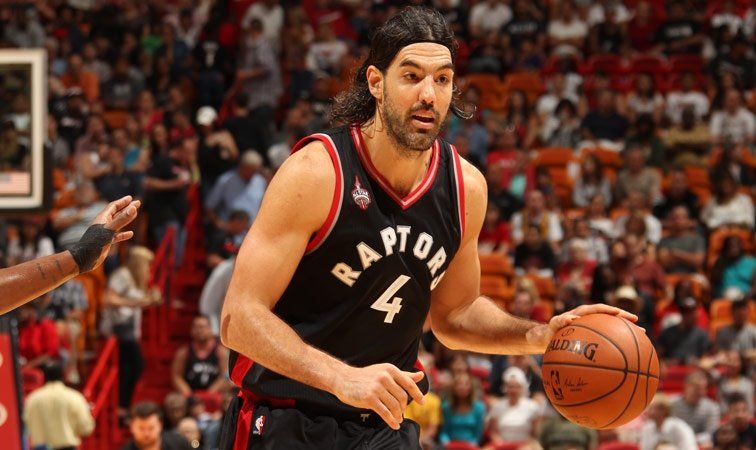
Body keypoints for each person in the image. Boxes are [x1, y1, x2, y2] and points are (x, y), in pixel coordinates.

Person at [218, 7, 634, 449]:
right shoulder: (317, 172)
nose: (429, 95)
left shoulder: (464, 187)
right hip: (285, 419)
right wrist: (342, 378)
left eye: (442, 79)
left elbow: (456, 315)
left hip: (383, 427)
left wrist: (538, 336)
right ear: (376, 82)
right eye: (412, 76)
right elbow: (238, 319)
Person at [0, 195, 140, 315]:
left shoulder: (44, 242)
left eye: (32, 226)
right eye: (27, 225)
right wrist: (77, 257)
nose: (29, 229)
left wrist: (78, 257)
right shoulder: (15, 242)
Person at [102, 246, 162, 417]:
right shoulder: (122, 275)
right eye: (147, 265)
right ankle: (122, 407)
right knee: (135, 366)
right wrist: (138, 302)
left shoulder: (134, 280)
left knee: (130, 368)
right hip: (119, 329)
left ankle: (123, 408)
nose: (148, 269)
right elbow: (109, 298)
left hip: (130, 330)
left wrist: (150, 298)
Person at [24, 360, 95, 450]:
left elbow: (26, 426)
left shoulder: (32, 399)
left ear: (44, 376)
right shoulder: (74, 397)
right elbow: (86, 428)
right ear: (63, 376)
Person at [171, 315, 231, 396]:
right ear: (191, 330)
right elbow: (176, 376)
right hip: (189, 396)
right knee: (173, 400)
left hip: (215, 395)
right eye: (196, 327)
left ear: (210, 329)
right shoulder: (184, 352)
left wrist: (208, 395)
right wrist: (188, 394)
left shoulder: (221, 352)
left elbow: (225, 376)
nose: (199, 331)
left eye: (202, 327)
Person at [486, 367, 541, 444]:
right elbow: (493, 432)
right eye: (510, 387)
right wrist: (501, 444)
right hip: (502, 445)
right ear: (505, 388)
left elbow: (535, 434)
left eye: (517, 387)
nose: (513, 390)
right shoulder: (497, 406)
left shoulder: (532, 406)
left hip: (526, 445)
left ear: (522, 388)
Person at [670, 370, 720, 446]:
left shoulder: (712, 407)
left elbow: (711, 433)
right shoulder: (672, 404)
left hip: (698, 444)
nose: (700, 392)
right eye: (696, 388)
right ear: (686, 386)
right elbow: (668, 428)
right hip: (675, 443)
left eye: (703, 388)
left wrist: (688, 440)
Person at [439, 372, 486, 446]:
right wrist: (447, 443)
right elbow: (444, 432)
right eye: (459, 384)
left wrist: (470, 446)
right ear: (454, 388)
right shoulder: (447, 407)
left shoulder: (479, 408)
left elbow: (478, 434)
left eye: (466, 384)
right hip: (450, 446)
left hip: (471, 446)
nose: (463, 387)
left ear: (471, 387)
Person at [121, 401, 193, 450]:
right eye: (141, 428)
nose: (146, 433)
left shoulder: (179, 444)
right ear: (131, 428)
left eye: (151, 428)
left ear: (160, 425)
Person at [658, 206, 705, 274]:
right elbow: (664, 262)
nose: (678, 220)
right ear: (670, 220)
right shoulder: (664, 240)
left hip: (692, 275)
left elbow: (698, 261)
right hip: (670, 275)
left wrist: (676, 254)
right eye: (676, 217)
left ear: (688, 220)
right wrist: (689, 258)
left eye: (682, 217)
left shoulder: (697, 239)